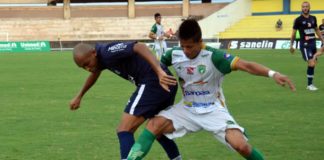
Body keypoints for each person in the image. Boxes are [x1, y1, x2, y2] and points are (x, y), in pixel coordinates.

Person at [127, 19, 296, 160]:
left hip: (213, 109)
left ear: (200, 42)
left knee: (241, 146)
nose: (185, 51)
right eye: (183, 46)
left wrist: (273, 74)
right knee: (153, 126)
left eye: (190, 47)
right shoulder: (174, 54)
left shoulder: (215, 57)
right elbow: (157, 66)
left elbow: (246, 65)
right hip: (187, 108)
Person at [69, 41, 182, 160]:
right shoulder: (99, 59)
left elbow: (139, 46)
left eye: (87, 63)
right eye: (83, 67)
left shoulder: (107, 52)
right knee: (158, 129)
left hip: (154, 81)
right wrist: (79, 95)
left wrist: (159, 71)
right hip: (164, 83)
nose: (87, 68)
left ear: (93, 53)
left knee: (124, 129)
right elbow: (95, 72)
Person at [290, 1, 324, 91]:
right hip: (305, 45)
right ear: (301, 8)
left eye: (306, 6)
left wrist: (322, 40)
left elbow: (316, 30)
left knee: (313, 64)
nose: (305, 8)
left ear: (309, 8)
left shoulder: (313, 18)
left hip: (313, 44)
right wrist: (291, 45)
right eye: (303, 7)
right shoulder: (298, 20)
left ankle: (310, 83)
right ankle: (309, 85)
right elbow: (293, 33)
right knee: (312, 63)